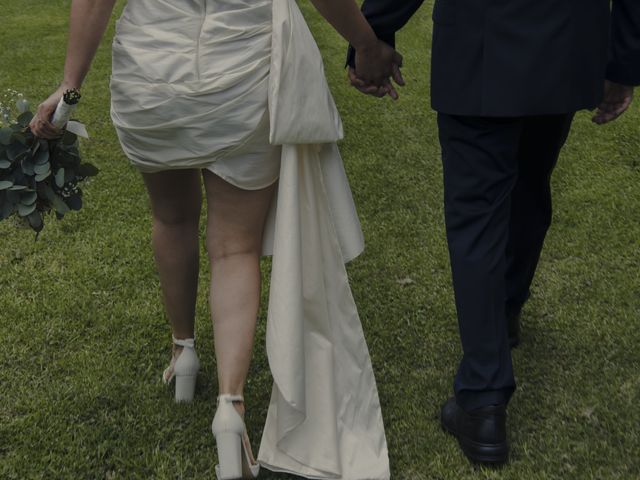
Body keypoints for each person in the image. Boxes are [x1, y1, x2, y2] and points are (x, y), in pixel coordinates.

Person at [30, 0, 399, 478]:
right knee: (235, 248)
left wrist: (70, 87)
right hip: (242, 71)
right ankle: (231, 408)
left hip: (152, 72)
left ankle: (183, 351)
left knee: (172, 219)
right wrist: (367, 45)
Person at [347, 0, 640, 466]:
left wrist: (373, 34)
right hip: (567, 43)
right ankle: (502, 315)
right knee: (529, 187)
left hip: (482, 42)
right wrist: (623, 61)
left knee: (481, 215)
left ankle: (484, 395)